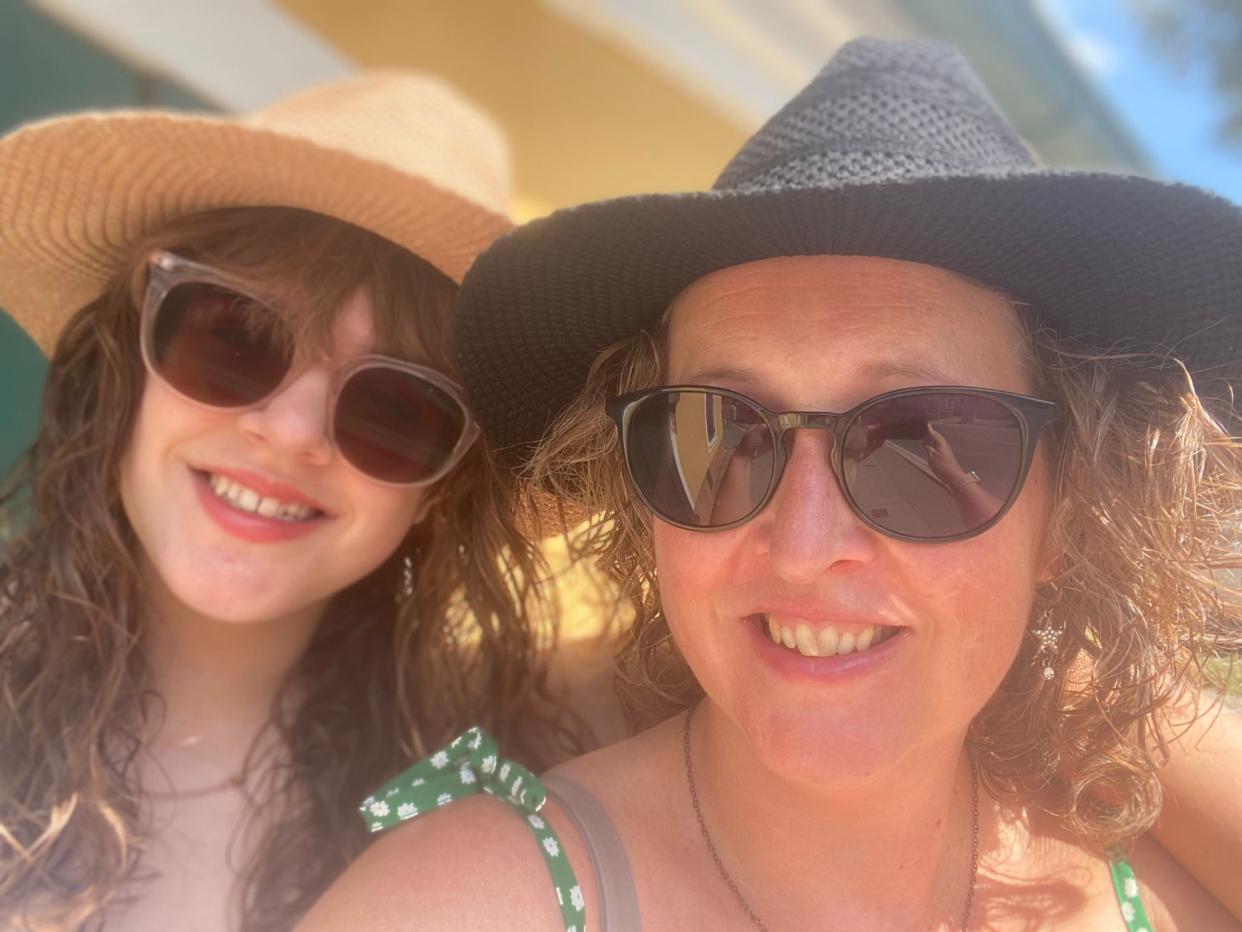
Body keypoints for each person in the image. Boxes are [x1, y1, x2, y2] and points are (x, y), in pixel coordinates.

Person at [302, 39, 1242, 930]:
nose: (802, 542)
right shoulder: (471, 906)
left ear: (1069, 512)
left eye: (918, 443)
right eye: (717, 437)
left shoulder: (1152, 892)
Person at [0, 73, 582, 931]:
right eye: (237, 340)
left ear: (439, 490)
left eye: (396, 409)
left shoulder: (472, 828)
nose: (292, 431)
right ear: (129, 354)